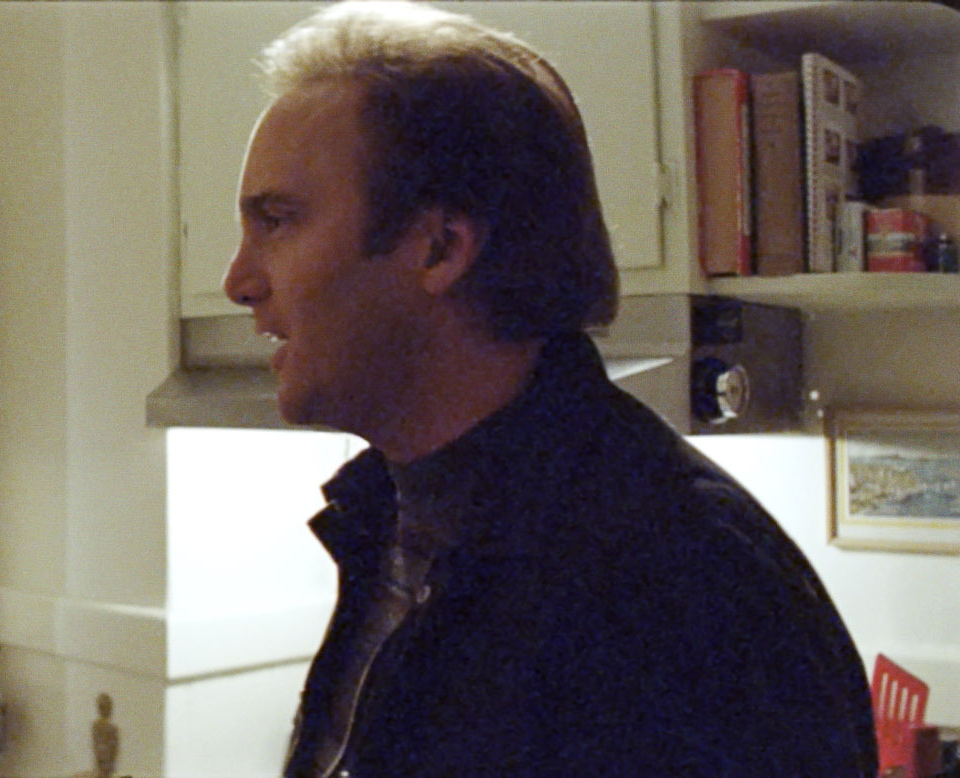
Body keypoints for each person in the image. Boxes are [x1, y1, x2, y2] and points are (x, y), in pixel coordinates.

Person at [221, 3, 877, 775]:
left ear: (440, 248)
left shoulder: (686, 586)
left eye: (278, 220)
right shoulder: (387, 518)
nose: (238, 281)